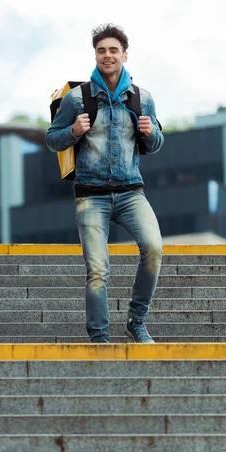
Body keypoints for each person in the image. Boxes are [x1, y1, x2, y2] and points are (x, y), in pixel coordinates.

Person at [45, 23, 164, 344]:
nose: (107, 55)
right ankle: (99, 339)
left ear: (125, 55)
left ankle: (136, 322)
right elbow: (52, 139)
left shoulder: (143, 98)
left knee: (153, 248)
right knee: (98, 270)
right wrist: (73, 131)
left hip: (130, 193)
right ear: (95, 55)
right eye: (101, 51)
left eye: (113, 50)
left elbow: (155, 145)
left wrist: (152, 133)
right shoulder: (76, 99)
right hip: (91, 195)